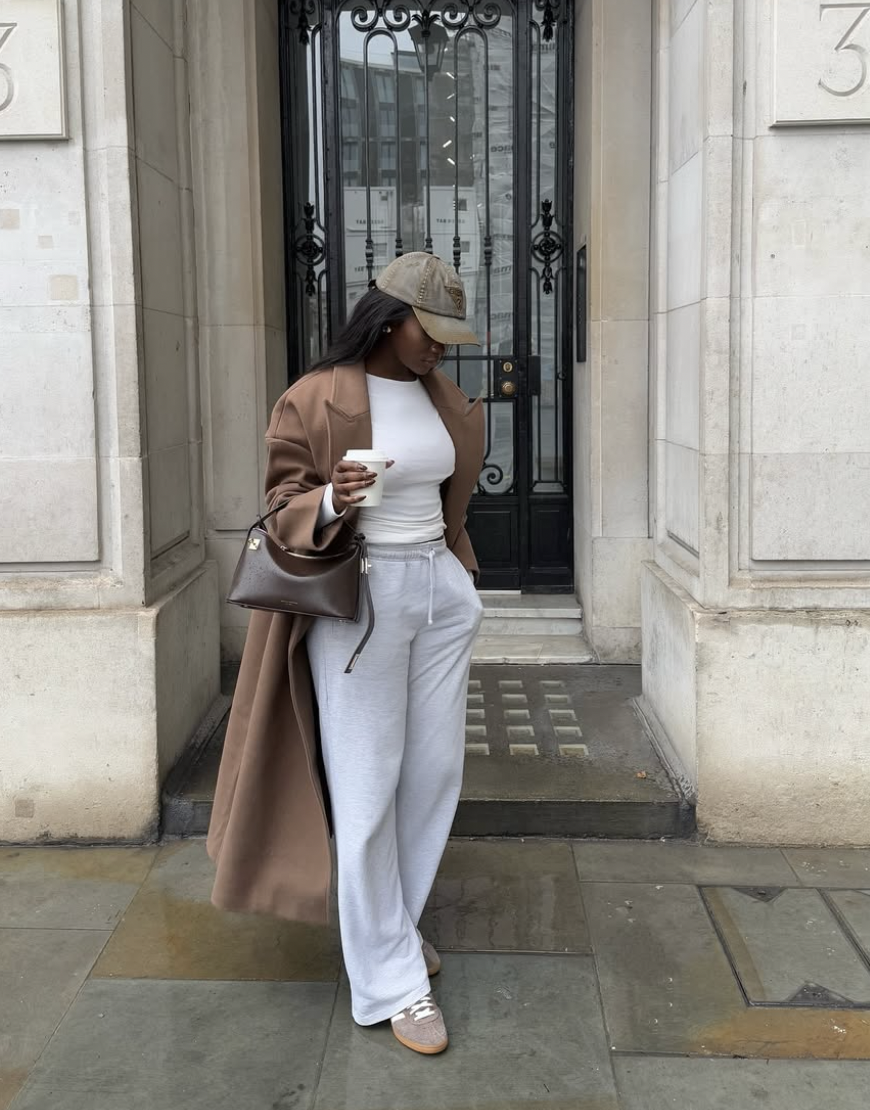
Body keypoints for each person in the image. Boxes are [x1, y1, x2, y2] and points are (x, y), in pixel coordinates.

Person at [207, 253, 485, 1055]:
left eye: (448, 335)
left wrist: (459, 583)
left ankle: (392, 928)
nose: (440, 347)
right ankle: (392, 982)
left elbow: (448, 497)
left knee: (432, 775)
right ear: (389, 320)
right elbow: (279, 506)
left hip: (438, 593)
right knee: (368, 787)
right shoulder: (315, 396)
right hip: (359, 600)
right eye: (429, 331)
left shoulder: (442, 397)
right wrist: (333, 497)